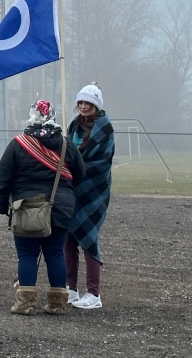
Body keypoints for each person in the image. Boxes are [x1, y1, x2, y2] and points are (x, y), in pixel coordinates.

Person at [0, 100, 86, 316]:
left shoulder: (18, 144)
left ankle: (25, 303)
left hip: (27, 206)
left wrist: (2, 205)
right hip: (60, 206)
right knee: (55, 253)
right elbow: (81, 174)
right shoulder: (66, 144)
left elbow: (4, 175)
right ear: (53, 116)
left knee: (27, 254)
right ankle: (57, 303)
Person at [65, 84, 115, 310]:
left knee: (89, 239)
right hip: (71, 188)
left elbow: (103, 162)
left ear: (96, 105)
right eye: (81, 103)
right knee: (68, 239)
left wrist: (77, 170)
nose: (84, 107)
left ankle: (93, 293)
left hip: (94, 191)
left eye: (88, 103)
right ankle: (70, 288)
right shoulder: (73, 126)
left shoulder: (105, 129)